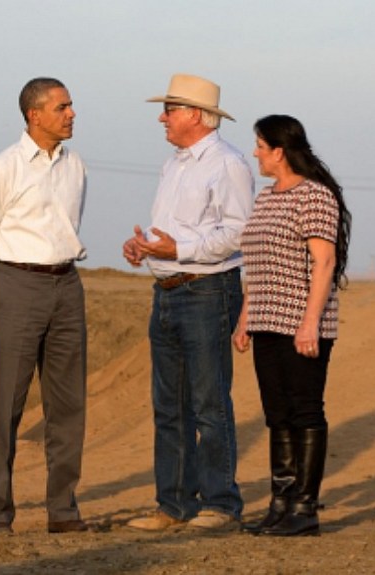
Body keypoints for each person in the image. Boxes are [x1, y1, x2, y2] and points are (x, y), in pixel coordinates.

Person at [122, 73, 254, 532]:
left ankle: (221, 504)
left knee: (208, 404)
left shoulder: (228, 163)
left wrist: (176, 249)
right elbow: (172, 231)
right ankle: (174, 504)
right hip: (167, 292)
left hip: (208, 292)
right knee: (169, 407)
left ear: (196, 115)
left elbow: (238, 233)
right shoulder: (173, 165)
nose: (162, 118)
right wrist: (144, 247)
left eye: (170, 110)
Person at [0, 77, 89, 534]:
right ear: (34, 115)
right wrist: (9, 291)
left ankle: (63, 510)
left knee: (68, 405)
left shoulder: (76, 166)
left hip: (67, 285)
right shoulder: (0, 170)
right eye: (62, 107)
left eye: (71, 106)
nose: (71, 114)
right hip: (16, 285)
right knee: (6, 406)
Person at [232, 114, 352, 536]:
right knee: (276, 413)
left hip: (302, 321)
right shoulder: (266, 198)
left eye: (260, 146)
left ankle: (304, 508)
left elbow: (325, 261)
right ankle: (280, 504)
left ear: (279, 151)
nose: (255, 154)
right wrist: (245, 318)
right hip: (266, 320)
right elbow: (258, 264)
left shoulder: (315, 196)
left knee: (305, 410)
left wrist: (310, 323)